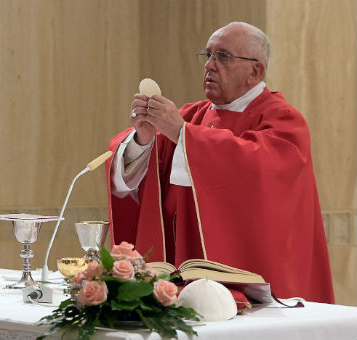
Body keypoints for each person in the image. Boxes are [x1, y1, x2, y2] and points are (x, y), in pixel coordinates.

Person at [105, 22, 334, 303]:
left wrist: (183, 134)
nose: (210, 66)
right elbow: (139, 175)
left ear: (256, 71)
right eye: (208, 55)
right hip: (183, 277)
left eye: (223, 57)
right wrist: (144, 137)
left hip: (257, 280)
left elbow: (259, 170)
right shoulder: (190, 115)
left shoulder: (283, 120)